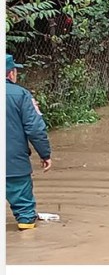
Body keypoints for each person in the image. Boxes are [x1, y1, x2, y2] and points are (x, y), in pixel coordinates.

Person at [6, 54, 52, 231]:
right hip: (13, 165)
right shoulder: (21, 95)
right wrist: (45, 154)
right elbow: (35, 129)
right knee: (25, 217)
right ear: (11, 74)